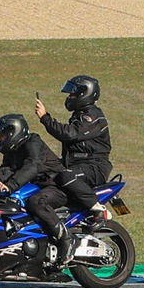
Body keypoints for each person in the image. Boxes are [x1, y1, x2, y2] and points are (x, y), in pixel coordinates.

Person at [34, 75, 113, 256]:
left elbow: (70, 134)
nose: (68, 97)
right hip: (77, 166)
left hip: (95, 167)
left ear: (84, 94)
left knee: (66, 175)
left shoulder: (93, 116)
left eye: (72, 94)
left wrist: (45, 118)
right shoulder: (78, 115)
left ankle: (98, 210)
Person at [0, 113, 66, 263]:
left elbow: (32, 166)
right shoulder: (12, 151)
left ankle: (65, 238)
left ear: (13, 132)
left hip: (55, 185)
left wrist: (10, 186)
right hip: (37, 186)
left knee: (36, 202)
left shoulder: (33, 143)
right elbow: (6, 170)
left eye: (2, 136)